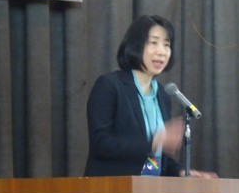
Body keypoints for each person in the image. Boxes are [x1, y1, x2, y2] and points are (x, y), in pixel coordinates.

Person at [84, 15, 217, 178]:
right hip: (111, 187)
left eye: (166, 45)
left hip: (149, 188)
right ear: (135, 45)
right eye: (153, 43)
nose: (161, 52)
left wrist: (181, 172)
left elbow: (155, 159)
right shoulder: (109, 85)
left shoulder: (162, 94)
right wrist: (154, 142)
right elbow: (101, 144)